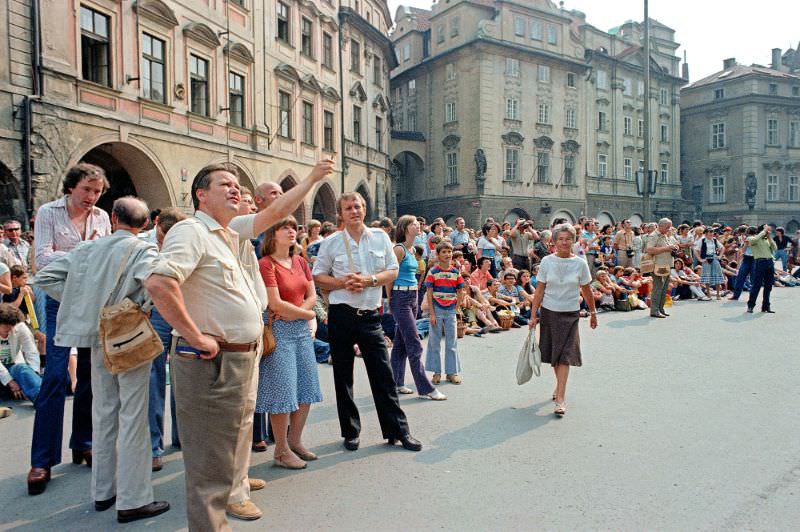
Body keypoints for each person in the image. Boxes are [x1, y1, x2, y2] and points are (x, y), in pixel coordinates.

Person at [145, 159, 333, 530]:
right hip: (211, 358)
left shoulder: (230, 230)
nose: (235, 189)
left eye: (237, 184)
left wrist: (311, 179)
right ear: (201, 195)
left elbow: (275, 212)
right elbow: (159, 283)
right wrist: (195, 335)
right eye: (224, 184)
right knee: (210, 457)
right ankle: (213, 521)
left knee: (238, 433)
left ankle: (236, 489)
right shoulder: (191, 231)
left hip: (243, 354)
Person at [36, 196, 170, 523]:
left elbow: (45, 277)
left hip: (99, 334)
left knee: (104, 411)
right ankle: (133, 498)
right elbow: (155, 288)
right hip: (129, 333)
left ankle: (103, 491)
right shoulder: (144, 250)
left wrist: (83, 302)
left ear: (113, 218)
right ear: (146, 224)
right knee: (133, 416)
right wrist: (137, 307)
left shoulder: (87, 249)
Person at [312, 192, 422, 453]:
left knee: (383, 375)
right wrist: (342, 282)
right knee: (343, 376)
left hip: (369, 315)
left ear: (364, 209)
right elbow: (318, 275)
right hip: (341, 314)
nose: (354, 211)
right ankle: (350, 432)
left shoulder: (380, 237)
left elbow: (392, 270)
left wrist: (369, 280)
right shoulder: (331, 242)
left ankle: (398, 431)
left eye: (358, 206)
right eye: (348, 208)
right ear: (340, 214)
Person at [28, 163, 112, 495]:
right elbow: (42, 260)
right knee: (54, 376)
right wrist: (86, 251)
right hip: (58, 300)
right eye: (87, 189)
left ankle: (84, 442)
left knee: (90, 374)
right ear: (71, 187)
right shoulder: (49, 212)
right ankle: (42, 460)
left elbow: (105, 258)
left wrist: (75, 255)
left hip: (91, 300)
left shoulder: (101, 218)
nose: (92, 196)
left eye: (97, 191)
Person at [255, 216, 323, 470]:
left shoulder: (301, 261)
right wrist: (306, 314)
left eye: (293, 227)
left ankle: (295, 441)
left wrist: (302, 314)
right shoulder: (266, 264)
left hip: (300, 328)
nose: (291, 231)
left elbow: (312, 294)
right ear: (272, 233)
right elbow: (274, 303)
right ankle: (281, 450)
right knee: (282, 392)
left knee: (306, 387)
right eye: (284, 227)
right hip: (279, 331)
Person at [528, 223, 597, 417]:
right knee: (555, 354)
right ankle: (559, 386)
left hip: (570, 314)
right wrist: (533, 316)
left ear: (574, 241)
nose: (564, 243)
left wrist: (593, 313)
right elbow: (539, 290)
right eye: (560, 239)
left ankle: (560, 397)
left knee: (565, 355)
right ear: (554, 242)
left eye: (568, 239)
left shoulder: (580, 263)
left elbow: (587, 290)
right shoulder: (547, 262)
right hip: (550, 313)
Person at [146, 208, 188, 471]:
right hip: (154, 313)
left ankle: (182, 435)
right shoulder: (143, 244)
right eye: (164, 234)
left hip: (183, 309)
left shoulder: (186, 241)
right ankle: (153, 446)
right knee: (154, 379)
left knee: (183, 374)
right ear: (156, 225)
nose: (167, 240)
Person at [388, 215, 445, 400]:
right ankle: (425, 388)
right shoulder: (399, 249)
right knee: (414, 343)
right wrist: (391, 300)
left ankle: (396, 383)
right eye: (413, 223)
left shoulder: (412, 249)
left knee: (400, 343)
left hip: (412, 296)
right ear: (405, 228)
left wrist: (416, 298)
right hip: (400, 297)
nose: (418, 225)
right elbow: (389, 276)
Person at [424, 241, 466, 385]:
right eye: (444, 252)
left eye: (449, 251)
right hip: (437, 309)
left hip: (450, 310)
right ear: (438, 255)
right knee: (434, 342)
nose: (447, 254)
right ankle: (436, 372)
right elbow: (429, 292)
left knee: (451, 342)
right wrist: (432, 313)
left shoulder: (455, 272)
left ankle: (451, 372)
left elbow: (460, 290)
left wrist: (457, 307)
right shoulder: (433, 272)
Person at [0, 303, 41, 403]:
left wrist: (31, 379)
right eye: (6, 326)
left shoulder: (20, 327)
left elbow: (31, 352)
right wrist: (10, 381)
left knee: (22, 369)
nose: (11, 329)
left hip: (14, 367)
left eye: (13, 325)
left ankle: (42, 399)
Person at [645, 218, 678, 319]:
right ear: (661, 226)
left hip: (666, 264)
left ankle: (661, 309)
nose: (669, 229)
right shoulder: (654, 236)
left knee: (664, 288)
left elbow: (667, 247)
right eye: (667, 227)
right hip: (658, 265)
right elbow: (649, 249)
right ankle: (654, 310)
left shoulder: (665, 235)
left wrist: (674, 247)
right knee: (658, 288)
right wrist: (666, 248)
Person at [746, 225, 777, 314]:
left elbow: (775, 248)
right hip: (760, 262)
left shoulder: (766, 239)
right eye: (767, 229)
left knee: (768, 286)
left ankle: (766, 306)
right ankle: (751, 306)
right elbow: (754, 240)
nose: (768, 231)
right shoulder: (752, 238)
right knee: (757, 285)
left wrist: (769, 237)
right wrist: (764, 231)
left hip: (769, 262)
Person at [696, 228, 724, 300]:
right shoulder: (702, 240)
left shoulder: (714, 240)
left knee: (717, 274)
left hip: (714, 257)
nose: (712, 233)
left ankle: (718, 294)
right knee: (707, 275)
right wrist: (700, 259)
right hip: (706, 258)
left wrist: (720, 256)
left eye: (712, 232)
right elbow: (696, 250)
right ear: (706, 233)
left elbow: (722, 248)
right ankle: (708, 294)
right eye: (710, 232)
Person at [729, 226, 757, 300]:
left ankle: (736, 295)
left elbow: (743, 250)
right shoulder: (756, 238)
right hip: (753, 259)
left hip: (748, 258)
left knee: (740, 277)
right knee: (753, 279)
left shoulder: (749, 238)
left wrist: (745, 245)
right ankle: (752, 296)